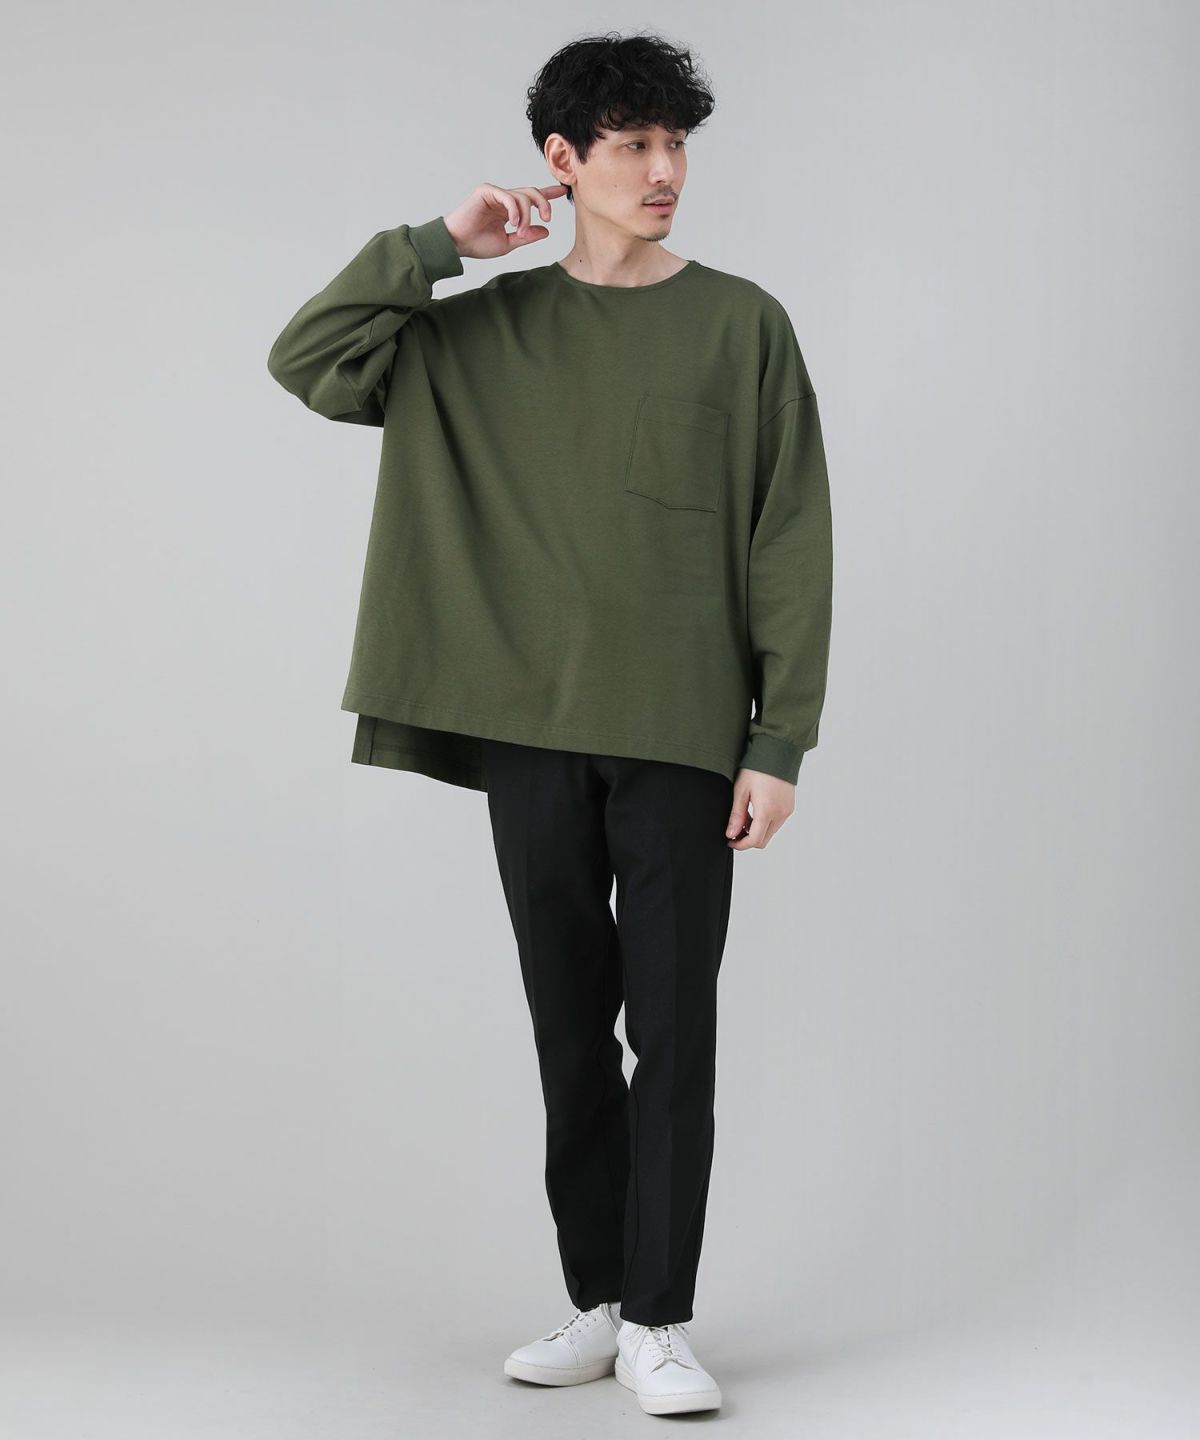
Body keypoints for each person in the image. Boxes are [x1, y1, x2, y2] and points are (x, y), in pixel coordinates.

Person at [266, 29, 833, 1418]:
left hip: (684, 732)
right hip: (529, 727)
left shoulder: (742, 324)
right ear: (562, 161)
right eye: (633, 144)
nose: (664, 170)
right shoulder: (479, 334)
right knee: (570, 1031)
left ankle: (661, 1319)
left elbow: (789, 535)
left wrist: (778, 741)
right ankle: (599, 1301)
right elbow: (308, 358)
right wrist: (438, 245)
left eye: (675, 143)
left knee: (675, 1032)